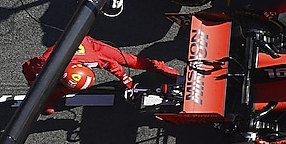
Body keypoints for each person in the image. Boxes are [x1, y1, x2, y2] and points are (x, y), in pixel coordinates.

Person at [23, 36, 179, 115]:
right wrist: (32, 82)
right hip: (69, 60)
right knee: (65, 89)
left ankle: (160, 67)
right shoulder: (44, 63)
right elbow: (26, 67)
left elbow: (111, 64)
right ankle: (50, 98)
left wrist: (126, 80)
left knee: (129, 60)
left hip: (90, 45)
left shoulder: (92, 59)